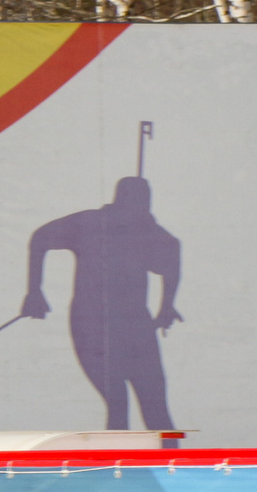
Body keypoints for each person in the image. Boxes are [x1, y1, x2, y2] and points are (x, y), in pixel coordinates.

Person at [20, 177, 183, 432]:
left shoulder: (148, 232)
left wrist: (166, 306)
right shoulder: (90, 224)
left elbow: (172, 253)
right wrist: (34, 291)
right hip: (93, 327)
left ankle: (172, 456)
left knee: (156, 410)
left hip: (135, 328)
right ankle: (119, 455)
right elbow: (41, 237)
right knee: (118, 405)